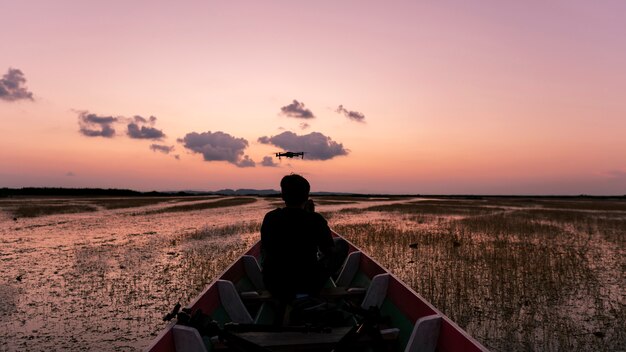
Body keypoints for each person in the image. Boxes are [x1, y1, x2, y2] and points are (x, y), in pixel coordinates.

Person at [261, 174, 348, 302]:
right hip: (308, 284)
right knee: (342, 245)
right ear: (307, 197)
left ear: (283, 196)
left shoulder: (270, 218)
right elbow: (328, 251)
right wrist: (311, 215)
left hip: (275, 285)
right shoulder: (315, 220)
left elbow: (265, 248)